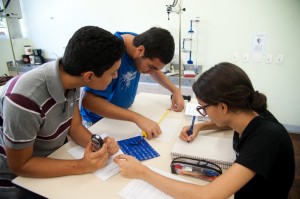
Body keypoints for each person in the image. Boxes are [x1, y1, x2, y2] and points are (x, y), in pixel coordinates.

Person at [114, 62, 295, 199]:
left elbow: (208, 196)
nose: (203, 113)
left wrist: (142, 172)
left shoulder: (265, 139)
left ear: (223, 107)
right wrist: (201, 126)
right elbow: (229, 120)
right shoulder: (252, 110)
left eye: (203, 108)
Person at [0, 26, 123, 198]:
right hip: (17, 177)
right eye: (112, 72)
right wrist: (82, 166)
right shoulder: (24, 98)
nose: (116, 76)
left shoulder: (72, 79)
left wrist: (99, 145)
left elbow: (75, 126)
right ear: (89, 76)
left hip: (51, 156)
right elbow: (20, 165)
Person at [80, 27, 185, 139]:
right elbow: (89, 101)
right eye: (151, 67)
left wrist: (175, 91)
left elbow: (154, 71)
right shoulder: (112, 52)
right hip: (99, 121)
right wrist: (137, 118)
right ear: (140, 50)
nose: (151, 72)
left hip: (122, 117)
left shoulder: (140, 44)